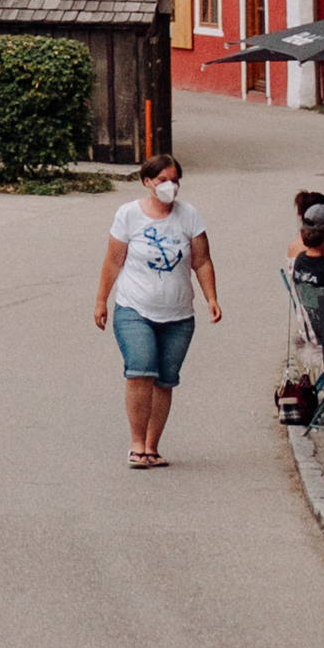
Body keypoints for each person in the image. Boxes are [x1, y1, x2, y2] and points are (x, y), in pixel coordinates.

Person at [94, 154, 220, 467]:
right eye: (162, 179)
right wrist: (101, 301)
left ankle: (152, 446)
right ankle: (136, 445)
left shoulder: (189, 216)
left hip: (178, 316)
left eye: (174, 179)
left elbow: (201, 260)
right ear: (147, 182)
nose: (170, 186)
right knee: (140, 370)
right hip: (134, 308)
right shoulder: (128, 215)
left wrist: (211, 298)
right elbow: (113, 260)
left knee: (165, 379)